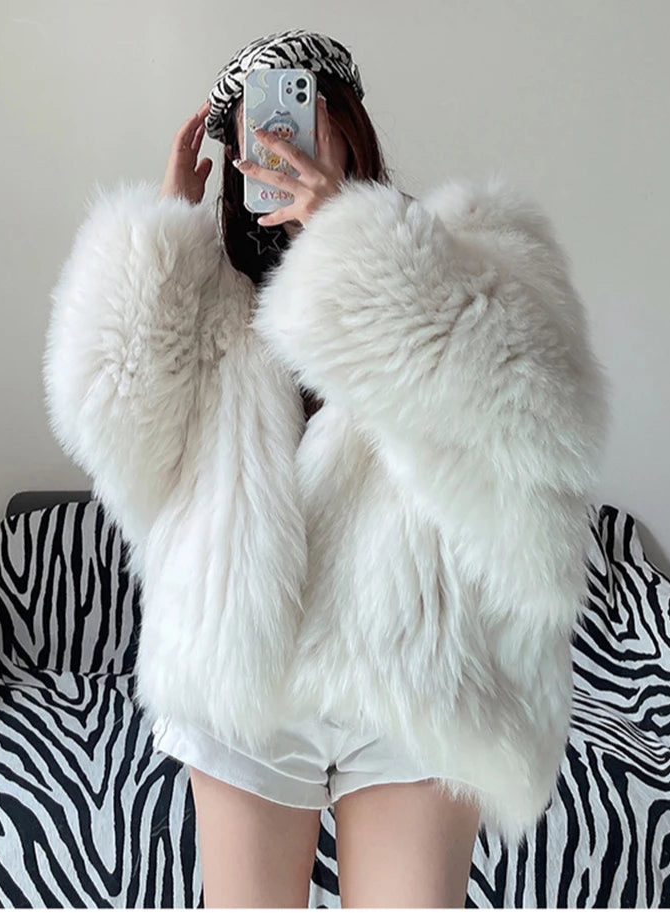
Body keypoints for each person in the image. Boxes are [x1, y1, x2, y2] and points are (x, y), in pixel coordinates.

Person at [42, 28, 611, 910]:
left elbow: (544, 427)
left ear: (346, 124)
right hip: (249, 678)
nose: (282, 137)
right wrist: (161, 231)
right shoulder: (204, 288)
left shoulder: (461, 251)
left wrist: (355, 247)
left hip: (413, 677)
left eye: (301, 110)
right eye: (258, 125)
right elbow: (113, 429)